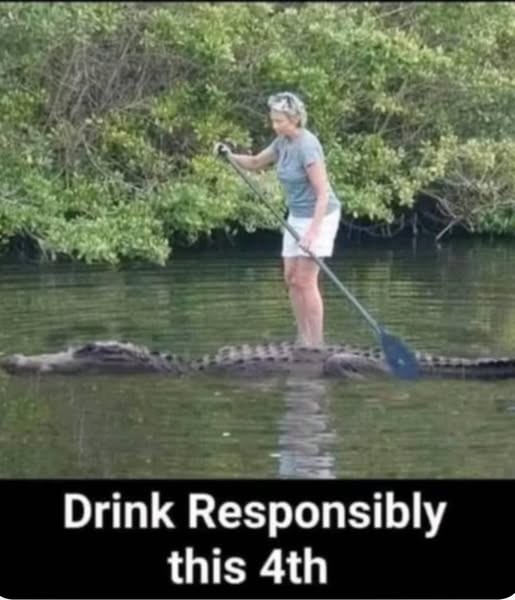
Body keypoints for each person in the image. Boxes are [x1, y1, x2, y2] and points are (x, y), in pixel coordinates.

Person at [214, 91, 341, 347]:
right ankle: (302, 337)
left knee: (306, 280)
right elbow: (254, 162)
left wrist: (312, 233)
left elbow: (323, 194)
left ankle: (316, 343)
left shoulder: (308, 146)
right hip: (297, 215)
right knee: (291, 279)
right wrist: (229, 156)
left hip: (320, 216)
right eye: (273, 120)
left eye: (279, 121)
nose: (275, 126)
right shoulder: (282, 142)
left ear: (295, 119)